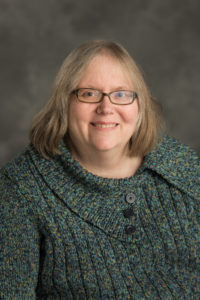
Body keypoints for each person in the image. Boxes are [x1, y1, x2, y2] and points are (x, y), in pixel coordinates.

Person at [0, 40, 199, 299]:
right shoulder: (21, 189)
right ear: (64, 102)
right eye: (89, 94)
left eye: (121, 94)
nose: (106, 108)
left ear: (139, 106)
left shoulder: (180, 165)